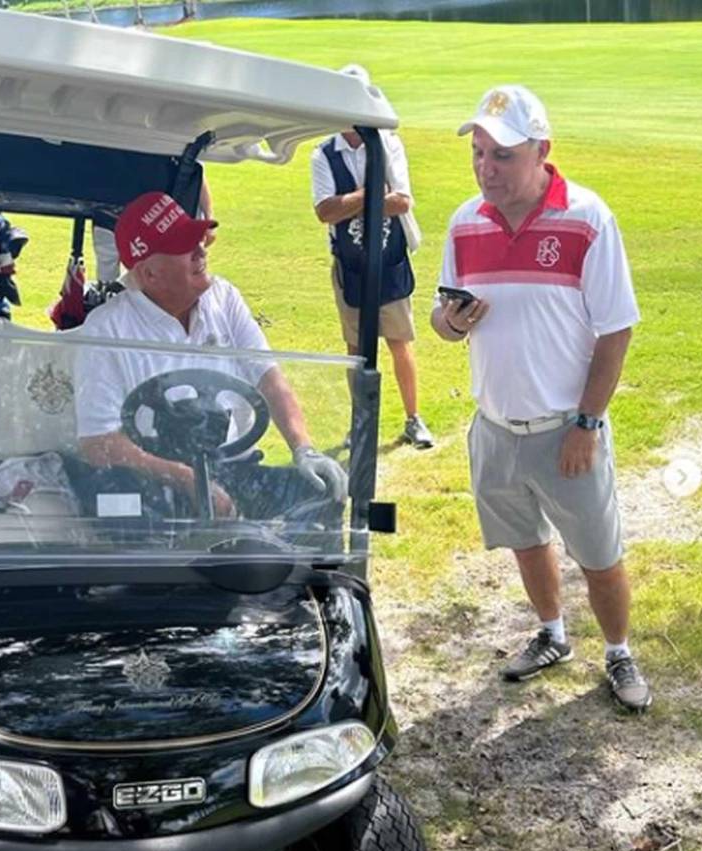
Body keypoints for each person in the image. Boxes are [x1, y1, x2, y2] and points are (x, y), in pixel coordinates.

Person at [432, 85, 651, 711]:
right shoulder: (463, 220)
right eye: (477, 153)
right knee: (526, 540)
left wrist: (587, 422)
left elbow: (616, 329)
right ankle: (553, 634)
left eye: (501, 155)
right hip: (495, 425)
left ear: (542, 151)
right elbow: (442, 321)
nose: (485, 169)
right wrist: (454, 322)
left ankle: (617, 650)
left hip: (566, 428)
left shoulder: (587, 217)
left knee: (600, 554)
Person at [73, 190, 347, 531]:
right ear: (149, 274)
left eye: (197, 239)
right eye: (183, 246)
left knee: (320, 493)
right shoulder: (106, 329)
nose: (200, 250)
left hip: (233, 466)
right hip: (152, 480)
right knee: (137, 526)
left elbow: (269, 379)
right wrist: (190, 481)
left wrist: (304, 448)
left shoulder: (224, 298)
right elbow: (98, 444)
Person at [310, 63, 434, 450]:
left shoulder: (389, 144)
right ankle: (360, 423)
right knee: (355, 347)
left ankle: (413, 419)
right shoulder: (323, 154)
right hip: (350, 263)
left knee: (399, 341)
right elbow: (324, 211)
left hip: (389, 256)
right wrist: (369, 194)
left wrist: (352, 202)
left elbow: (401, 202)